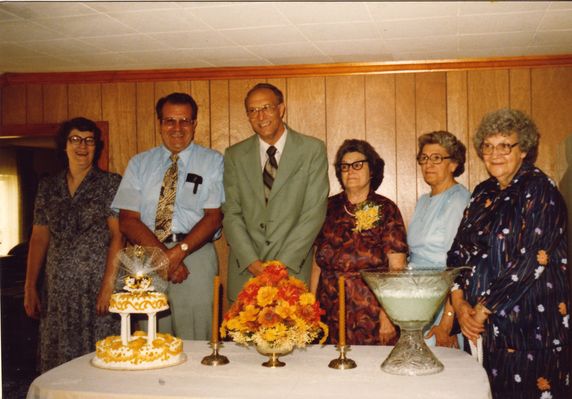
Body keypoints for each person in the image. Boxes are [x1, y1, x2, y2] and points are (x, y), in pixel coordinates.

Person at [448, 109, 570, 399]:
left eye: (505, 145)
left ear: (524, 149)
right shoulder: (483, 192)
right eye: (488, 146)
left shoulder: (540, 189)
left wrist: (482, 309)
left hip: (532, 331)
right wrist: (460, 302)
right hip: (486, 332)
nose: (495, 153)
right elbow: (458, 251)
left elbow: (531, 261)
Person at [111, 92, 224, 340]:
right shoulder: (139, 164)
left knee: (198, 336)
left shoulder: (213, 161)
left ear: (194, 124)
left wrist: (178, 253)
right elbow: (128, 220)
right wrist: (164, 259)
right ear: (160, 123)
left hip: (196, 254)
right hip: (148, 256)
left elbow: (213, 217)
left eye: (185, 120)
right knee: (151, 336)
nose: (177, 128)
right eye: (169, 121)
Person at [24, 117, 123, 372]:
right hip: (57, 292)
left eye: (89, 140)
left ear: (96, 146)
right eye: (75, 139)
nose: (82, 146)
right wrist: (30, 285)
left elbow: (118, 236)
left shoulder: (110, 183)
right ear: (64, 145)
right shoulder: (48, 187)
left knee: (100, 364)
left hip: (96, 291)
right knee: (58, 366)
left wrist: (108, 286)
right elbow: (39, 238)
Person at [222, 83, 329, 302]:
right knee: (244, 337)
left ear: (281, 109)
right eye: (253, 110)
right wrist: (252, 262)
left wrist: (281, 266)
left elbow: (313, 213)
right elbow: (231, 212)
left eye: (267, 107)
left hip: (292, 271)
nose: (260, 116)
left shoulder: (312, 150)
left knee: (290, 335)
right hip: (246, 272)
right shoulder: (234, 155)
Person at [314, 139, 408, 345]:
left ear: (372, 169)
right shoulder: (328, 207)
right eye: (345, 166)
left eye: (358, 165)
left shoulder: (386, 209)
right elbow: (317, 263)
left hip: (372, 311)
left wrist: (388, 314)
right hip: (329, 308)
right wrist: (311, 308)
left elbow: (397, 267)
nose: (350, 171)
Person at [407, 131, 470, 348]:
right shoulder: (424, 200)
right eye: (424, 158)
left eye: (437, 158)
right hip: (418, 299)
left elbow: (456, 266)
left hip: (443, 302)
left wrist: (447, 323)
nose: (428, 164)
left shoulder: (458, 199)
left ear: (453, 164)